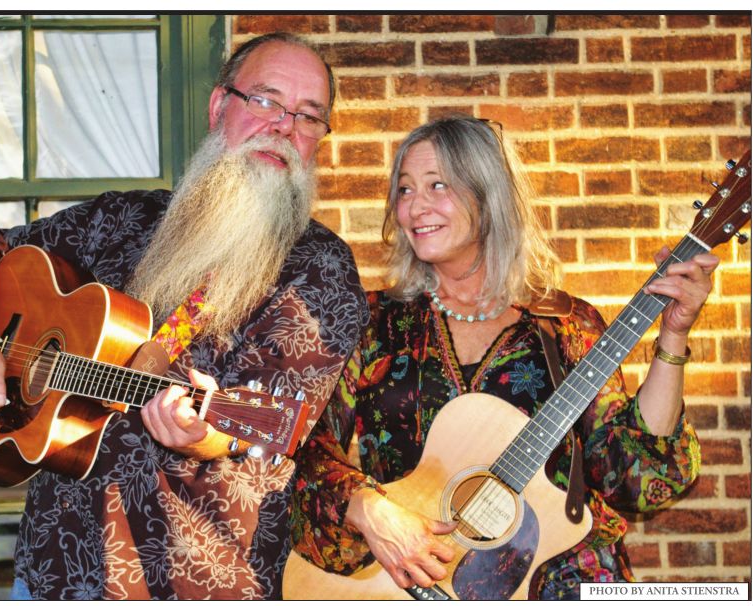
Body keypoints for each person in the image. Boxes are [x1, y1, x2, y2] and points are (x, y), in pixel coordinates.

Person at [0, 32, 368, 600]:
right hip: (51, 573)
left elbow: (266, 426)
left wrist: (204, 435)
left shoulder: (321, 270)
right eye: (266, 100)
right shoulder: (124, 218)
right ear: (220, 105)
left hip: (196, 581)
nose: (285, 127)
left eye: (308, 116)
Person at [289, 115, 715, 599]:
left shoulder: (565, 325)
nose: (414, 207)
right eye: (404, 190)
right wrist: (370, 510)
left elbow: (634, 479)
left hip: (557, 581)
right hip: (410, 585)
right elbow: (306, 449)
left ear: (488, 195)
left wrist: (673, 336)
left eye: (437, 185)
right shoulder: (372, 324)